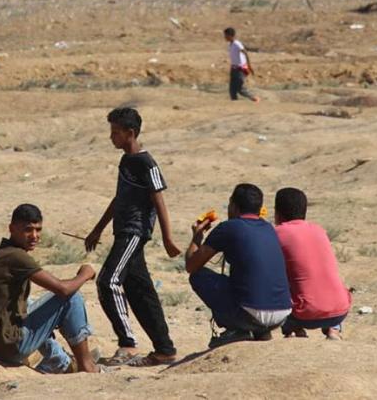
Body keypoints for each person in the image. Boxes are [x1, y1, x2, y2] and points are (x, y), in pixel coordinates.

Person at [84, 107, 180, 367]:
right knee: (140, 292)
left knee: (108, 281)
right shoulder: (126, 161)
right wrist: (98, 228)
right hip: (123, 231)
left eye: (115, 132)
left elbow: (159, 200)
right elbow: (120, 198)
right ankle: (164, 349)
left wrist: (167, 238)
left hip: (134, 232)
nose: (111, 137)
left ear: (131, 133)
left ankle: (127, 344)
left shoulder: (146, 162)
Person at [0, 203, 100, 374]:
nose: (34, 236)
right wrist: (85, 274)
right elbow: (63, 290)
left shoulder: (1, 252)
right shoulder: (15, 256)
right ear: (12, 229)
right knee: (71, 298)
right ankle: (86, 366)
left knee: (35, 306)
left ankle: (60, 362)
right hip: (11, 345)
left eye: (38, 230)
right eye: (28, 230)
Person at [185, 183, 291, 347]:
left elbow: (191, 265)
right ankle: (261, 331)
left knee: (198, 277)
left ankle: (238, 330)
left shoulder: (228, 228)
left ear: (234, 206)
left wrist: (197, 237)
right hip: (282, 314)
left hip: (251, 314)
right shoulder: (269, 228)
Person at [273, 187, 351, 340]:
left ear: (277, 213)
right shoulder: (319, 230)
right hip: (340, 311)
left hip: (305, 314)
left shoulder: (278, 233)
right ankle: (334, 329)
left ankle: (294, 329)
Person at [223, 27, 260, 103]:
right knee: (232, 89)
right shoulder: (231, 44)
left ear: (230, 35)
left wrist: (249, 66)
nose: (225, 37)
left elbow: (245, 52)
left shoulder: (237, 44)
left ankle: (254, 98)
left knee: (240, 88)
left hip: (240, 69)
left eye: (226, 35)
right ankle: (234, 103)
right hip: (234, 68)